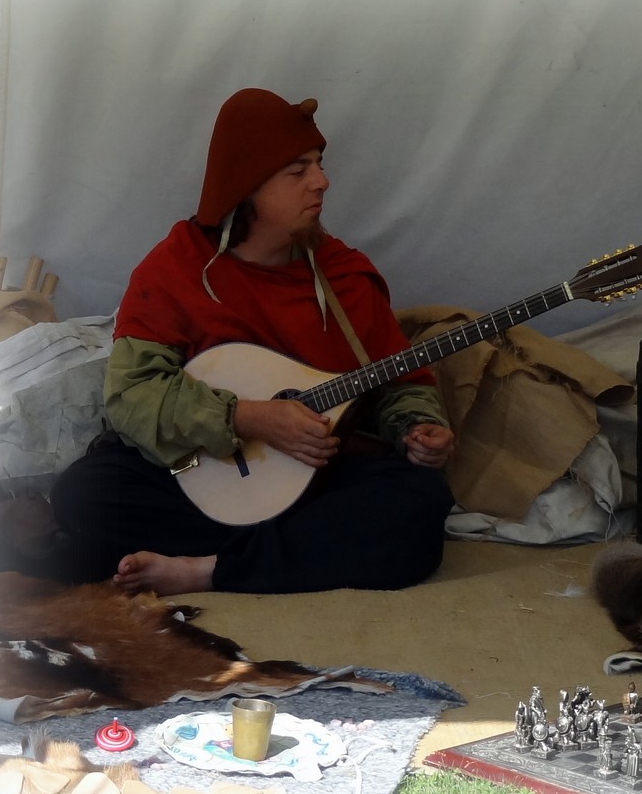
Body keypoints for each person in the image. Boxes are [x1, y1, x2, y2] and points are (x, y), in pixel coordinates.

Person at [44, 87, 455, 595]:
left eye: (319, 165)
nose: (322, 182)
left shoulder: (344, 275)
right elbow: (133, 395)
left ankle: (205, 569)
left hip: (315, 480)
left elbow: (398, 383)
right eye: (298, 170)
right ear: (248, 186)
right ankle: (292, 554)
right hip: (201, 477)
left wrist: (416, 427)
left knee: (420, 500)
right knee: (84, 493)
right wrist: (248, 418)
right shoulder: (176, 267)